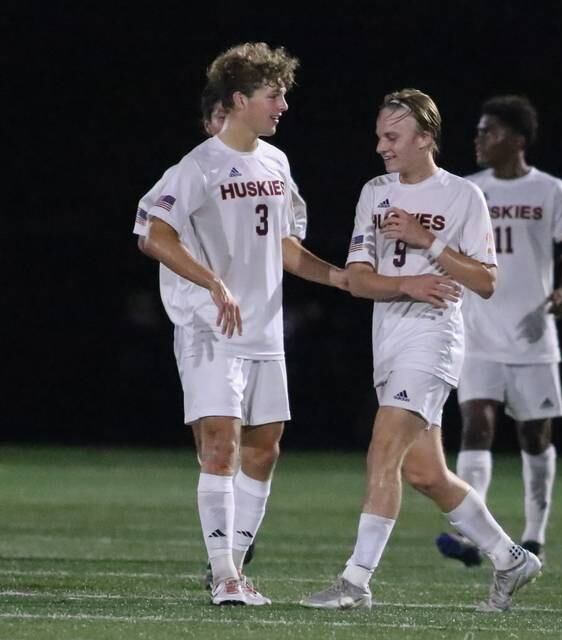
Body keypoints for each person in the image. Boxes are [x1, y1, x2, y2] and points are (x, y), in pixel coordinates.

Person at [300, 89, 541, 613]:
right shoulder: (375, 192)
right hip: (387, 340)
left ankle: (355, 581)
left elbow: (485, 280)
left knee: (381, 451)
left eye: (393, 137)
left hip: (434, 341)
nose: (382, 146)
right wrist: (407, 284)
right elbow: (359, 281)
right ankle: (510, 558)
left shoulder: (462, 197)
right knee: (425, 474)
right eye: (380, 136)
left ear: (426, 138)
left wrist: (426, 243)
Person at [136, 42, 346, 606]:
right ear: (239, 100)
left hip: (264, 330)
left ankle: (229, 561)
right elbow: (153, 236)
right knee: (222, 448)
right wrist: (212, 282)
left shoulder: (276, 163)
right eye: (273, 96)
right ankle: (227, 574)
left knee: (265, 450)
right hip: (210, 327)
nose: (282, 106)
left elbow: (287, 248)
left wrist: (340, 279)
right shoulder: (196, 166)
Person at [436, 95, 562, 568]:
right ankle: (472, 537)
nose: (479, 139)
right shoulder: (468, 190)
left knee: (534, 437)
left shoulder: (551, 191)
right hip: (477, 332)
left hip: (531, 335)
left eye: (490, 131)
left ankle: (535, 535)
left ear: (517, 140)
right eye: (479, 131)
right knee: (476, 425)